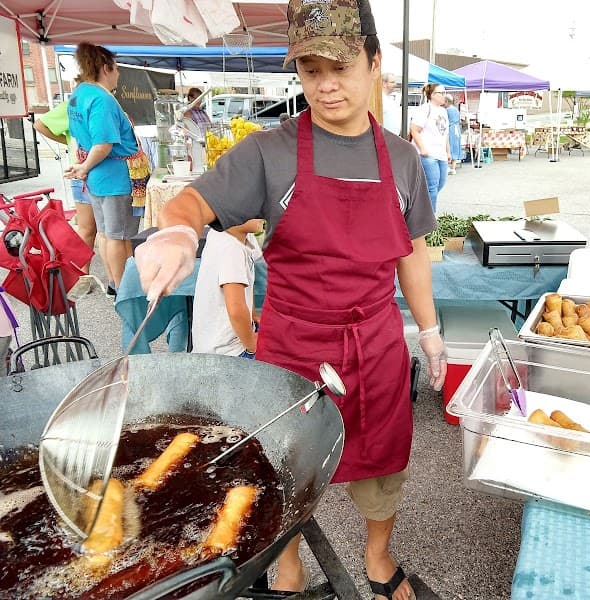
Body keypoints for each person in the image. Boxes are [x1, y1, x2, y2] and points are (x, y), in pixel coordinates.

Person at [133, 1, 445, 598]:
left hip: (374, 340)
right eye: (310, 71)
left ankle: (378, 560)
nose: (325, 87)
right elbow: (192, 204)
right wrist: (176, 231)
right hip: (296, 343)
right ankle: (288, 564)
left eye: (341, 67)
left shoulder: (403, 160)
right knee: (284, 466)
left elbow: (412, 252)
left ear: (375, 63)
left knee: (384, 461)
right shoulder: (268, 153)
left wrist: (429, 329)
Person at [65, 42, 141, 297]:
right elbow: (104, 144)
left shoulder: (78, 95)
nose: (118, 74)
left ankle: (113, 281)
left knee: (107, 232)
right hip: (113, 177)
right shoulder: (102, 100)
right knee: (118, 235)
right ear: (106, 68)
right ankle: (124, 290)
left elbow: (83, 138)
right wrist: (84, 167)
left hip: (99, 178)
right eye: (116, 68)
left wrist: (84, 166)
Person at [33, 94, 113, 290]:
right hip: (83, 173)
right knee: (89, 229)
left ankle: (103, 280)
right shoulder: (73, 105)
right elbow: (40, 124)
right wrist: (66, 140)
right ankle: (81, 277)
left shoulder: (100, 102)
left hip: (101, 173)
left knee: (104, 231)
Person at [192, 219, 264, 357]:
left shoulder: (219, 234)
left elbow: (245, 283)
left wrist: (252, 314)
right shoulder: (233, 249)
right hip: (230, 353)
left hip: (211, 346)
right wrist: (251, 344)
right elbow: (236, 309)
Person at [410, 83, 450, 213]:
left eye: (445, 93)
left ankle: (421, 207)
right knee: (432, 186)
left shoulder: (443, 111)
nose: (444, 96)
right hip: (428, 153)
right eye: (441, 93)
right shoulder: (425, 109)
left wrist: (448, 151)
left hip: (441, 153)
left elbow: (445, 134)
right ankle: (430, 217)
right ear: (432, 95)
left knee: (441, 183)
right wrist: (423, 149)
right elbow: (414, 130)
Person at [444, 94, 462, 175]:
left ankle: (447, 167)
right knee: (455, 147)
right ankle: (453, 168)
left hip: (450, 129)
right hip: (457, 130)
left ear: (447, 101)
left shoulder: (446, 110)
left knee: (448, 147)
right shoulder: (456, 109)